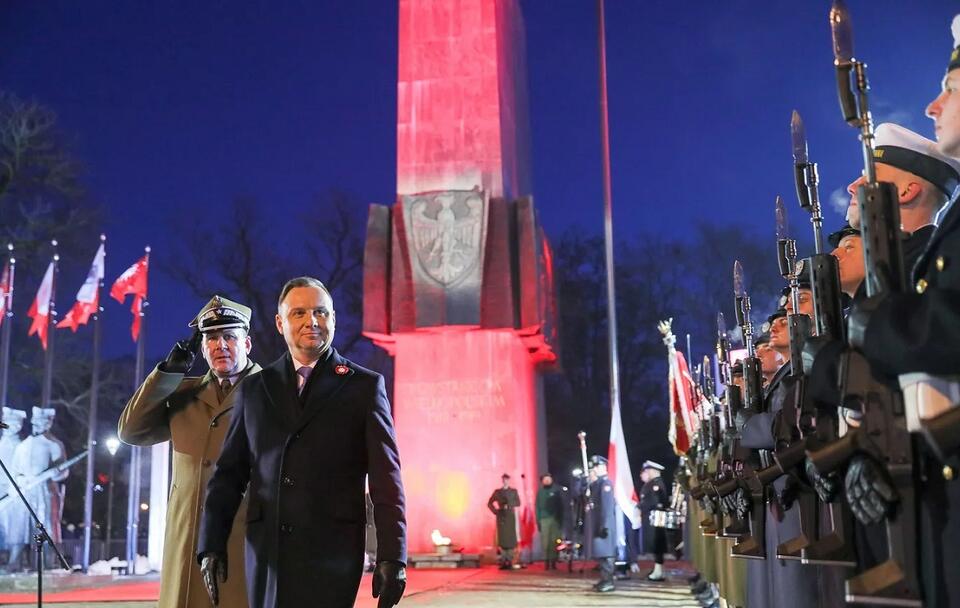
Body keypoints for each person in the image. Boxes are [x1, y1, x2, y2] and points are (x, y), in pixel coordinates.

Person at [842, 19, 960, 606]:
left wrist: (877, 326)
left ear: (908, 191)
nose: (934, 103)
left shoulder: (923, 258)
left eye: (951, 87)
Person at [197, 277, 406, 608]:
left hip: (332, 556)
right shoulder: (254, 390)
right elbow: (229, 475)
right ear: (280, 323)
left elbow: (386, 480)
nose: (312, 321)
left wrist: (393, 557)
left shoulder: (364, 388)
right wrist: (211, 544)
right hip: (268, 553)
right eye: (299, 313)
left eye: (321, 312)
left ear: (333, 319)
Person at [119, 295, 260, 608]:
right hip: (189, 539)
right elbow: (131, 431)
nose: (220, 346)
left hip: (244, 536)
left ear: (246, 344)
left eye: (229, 337)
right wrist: (169, 373)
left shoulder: (270, 391)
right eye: (211, 338)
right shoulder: (183, 393)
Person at [11, 407, 66, 569]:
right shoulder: (23, 445)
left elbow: (63, 472)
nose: (40, 424)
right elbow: (15, 470)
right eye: (38, 421)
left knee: (47, 526)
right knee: (20, 527)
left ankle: (50, 562)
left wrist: (56, 474)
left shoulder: (54, 445)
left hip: (45, 492)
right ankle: (14, 562)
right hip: (26, 491)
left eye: (44, 421)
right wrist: (21, 479)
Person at [0, 407, 26, 570]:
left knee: (15, 527)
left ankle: (14, 561)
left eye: (16, 424)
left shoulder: (22, 446)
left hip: (13, 490)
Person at [588, 455, 617, 593]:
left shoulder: (606, 484)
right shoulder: (598, 484)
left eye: (597, 467)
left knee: (607, 553)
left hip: (605, 523)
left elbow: (607, 507)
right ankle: (604, 579)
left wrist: (604, 525)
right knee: (601, 553)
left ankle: (609, 581)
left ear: (603, 467)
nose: (594, 469)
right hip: (599, 522)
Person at [638, 460, 669, 581]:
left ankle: (658, 570)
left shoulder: (657, 484)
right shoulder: (651, 484)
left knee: (658, 545)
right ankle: (657, 569)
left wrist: (640, 507)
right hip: (652, 518)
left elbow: (654, 501)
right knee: (655, 545)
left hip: (657, 518)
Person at [487, 473, 520, 569]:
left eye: (507, 479)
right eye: (504, 479)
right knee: (502, 539)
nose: (505, 481)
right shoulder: (498, 492)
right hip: (501, 516)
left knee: (510, 538)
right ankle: (503, 560)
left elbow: (518, 502)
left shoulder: (513, 491)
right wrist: (496, 511)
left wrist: (509, 505)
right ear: (502, 480)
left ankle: (509, 560)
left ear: (509, 480)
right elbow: (489, 503)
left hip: (510, 515)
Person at [535, 473, 563, 570]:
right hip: (544, 519)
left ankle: (553, 561)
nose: (547, 481)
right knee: (545, 541)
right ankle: (546, 561)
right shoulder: (540, 492)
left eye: (548, 479)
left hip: (555, 519)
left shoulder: (556, 491)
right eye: (545, 479)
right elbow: (537, 507)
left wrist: (560, 520)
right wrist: (538, 521)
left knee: (554, 541)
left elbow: (561, 507)